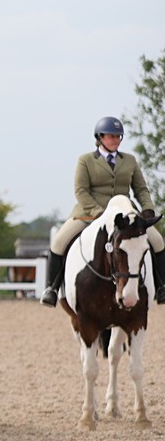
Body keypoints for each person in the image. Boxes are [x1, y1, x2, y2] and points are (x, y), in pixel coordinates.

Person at [41, 116, 164, 307]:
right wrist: (98, 212)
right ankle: (51, 288)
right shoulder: (86, 161)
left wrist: (147, 209)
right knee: (59, 242)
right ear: (99, 137)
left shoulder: (129, 160)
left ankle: (161, 287)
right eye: (111, 136)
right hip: (90, 213)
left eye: (119, 136)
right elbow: (81, 191)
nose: (116, 140)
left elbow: (141, 189)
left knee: (157, 241)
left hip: (125, 214)